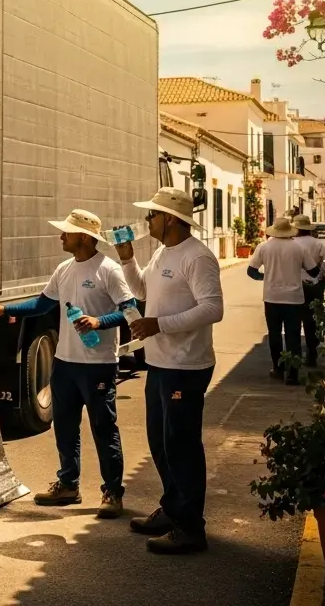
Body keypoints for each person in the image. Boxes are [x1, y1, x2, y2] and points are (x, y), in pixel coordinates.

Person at [0, 210, 138, 519]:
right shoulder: (64, 269)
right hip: (64, 364)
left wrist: (99, 321)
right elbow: (41, 304)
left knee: (103, 429)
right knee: (65, 427)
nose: (61, 236)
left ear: (85, 237)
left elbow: (131, 312)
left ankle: (112, 493)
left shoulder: (109, 270)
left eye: (67, 231)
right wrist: (3, 309)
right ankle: (68, 484)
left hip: (98, 365)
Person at [115, 188, 224, 555]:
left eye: (153, 215)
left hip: (186, 366)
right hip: (161, 363)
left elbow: (212, 309)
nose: (148, 221)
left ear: (171, 219)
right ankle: (173, 508)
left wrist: (159, 325)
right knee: (161, 443)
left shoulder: (198, 257)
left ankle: (191, 528)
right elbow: (141, 290)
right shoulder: (164, 251)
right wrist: (128, 260)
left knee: (181, 446)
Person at [247, 217, 321, 385]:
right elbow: (314, 271)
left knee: (275, 334)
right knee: (293, 335)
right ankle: (293, 374)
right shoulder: (299, 247)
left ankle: (278, 369)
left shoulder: (264, 247)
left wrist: (265, 278)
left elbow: (251, 271)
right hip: (294, 299)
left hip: (271, 297)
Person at [292, 214, 325, 367]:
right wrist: (320, 273)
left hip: (295, 286)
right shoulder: (317, 243)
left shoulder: (292, 243)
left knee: (295, 321)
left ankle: (295, 356)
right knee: (312, 321)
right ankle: (311, 354)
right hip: (314, 285)